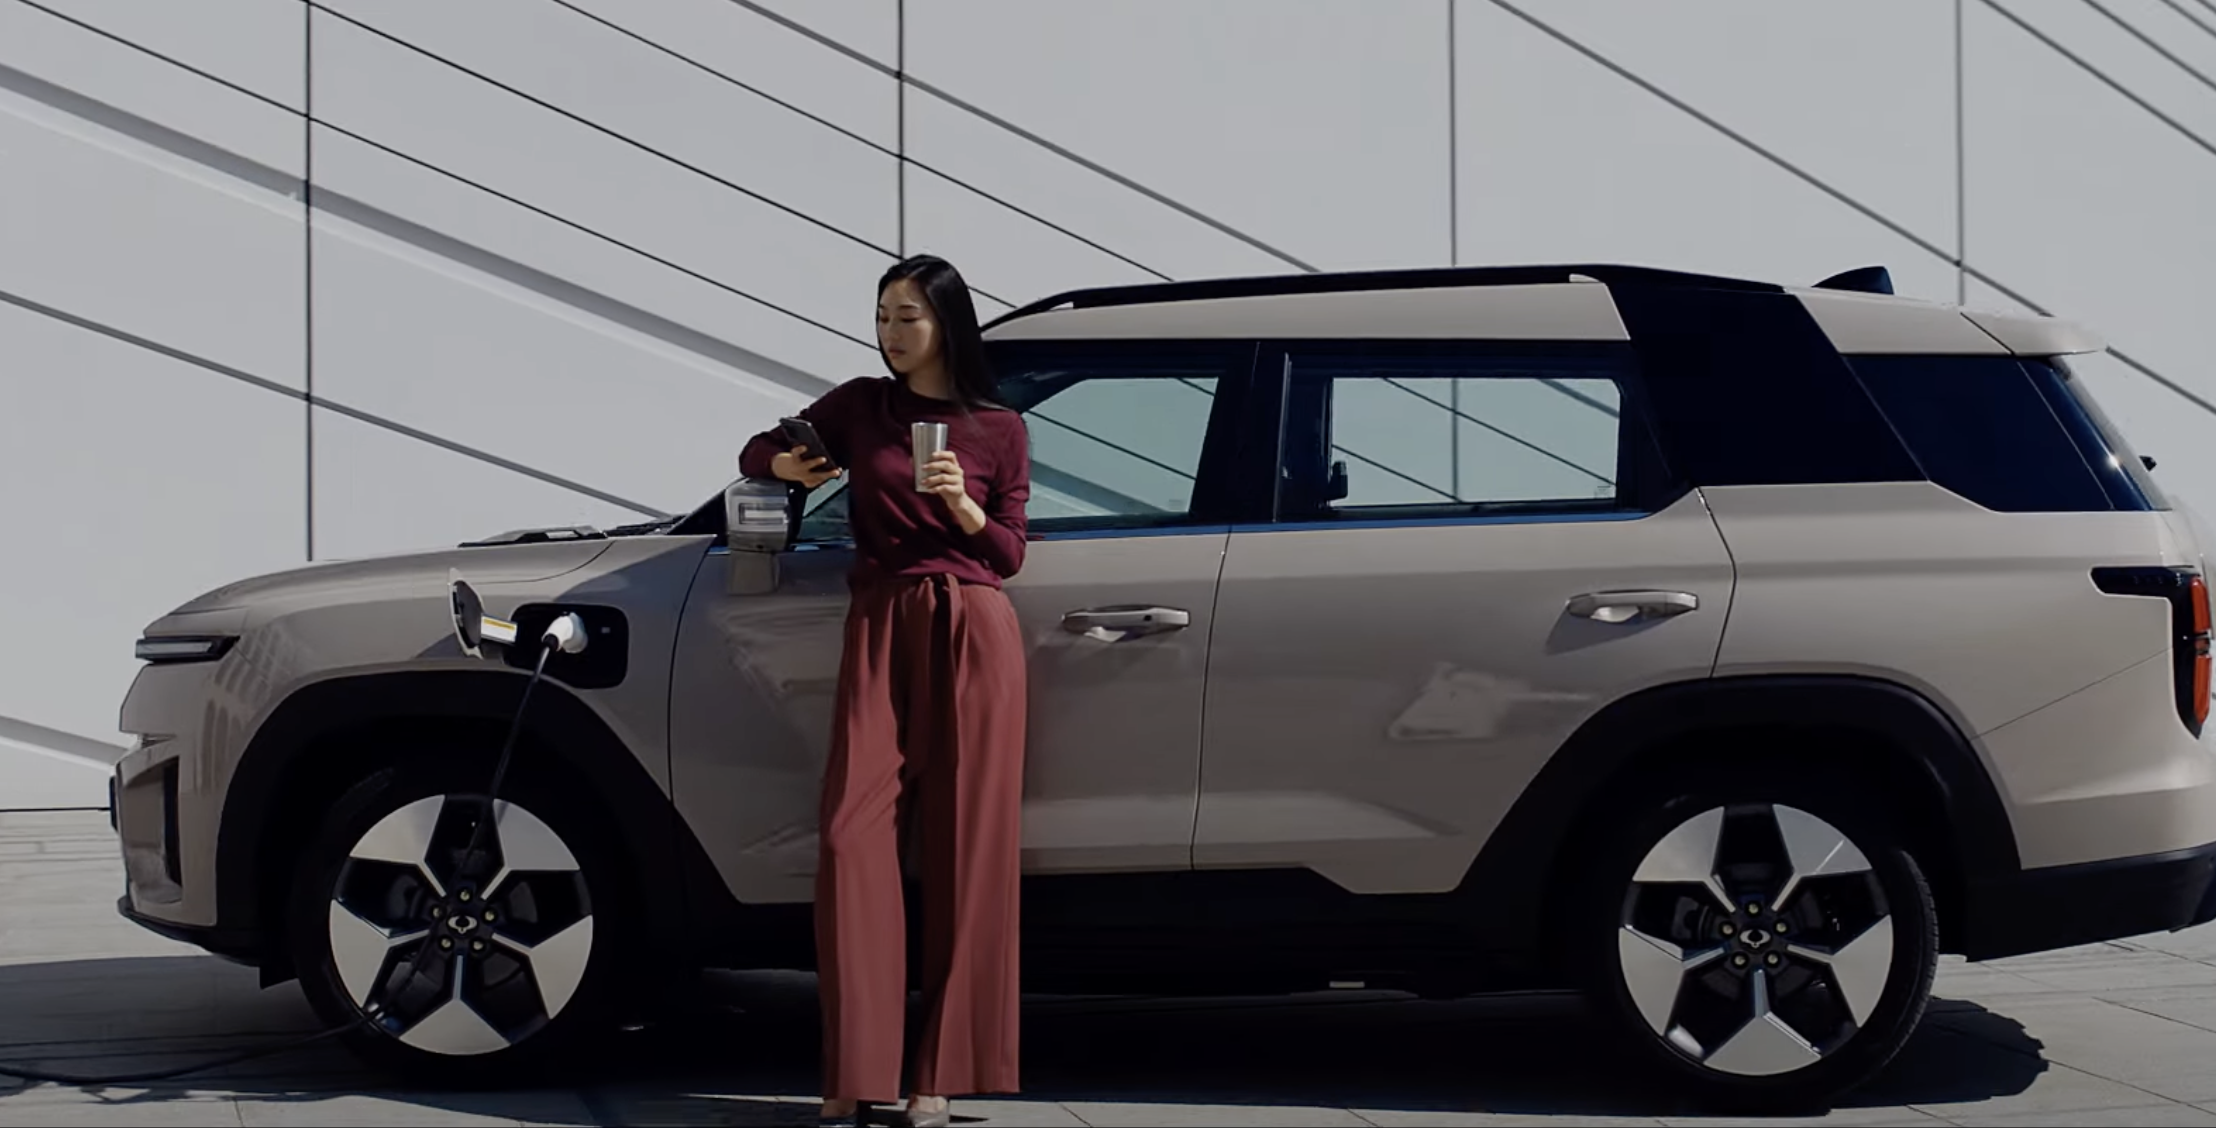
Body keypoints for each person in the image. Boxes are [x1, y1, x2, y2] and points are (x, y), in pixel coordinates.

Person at [737, 254, 1032, 1128]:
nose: (891, 334)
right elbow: (757, 449)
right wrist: (790, 468)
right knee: (848, 836)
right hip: (880, 621)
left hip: (973, 629)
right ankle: (856, 1068)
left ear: (947, 323)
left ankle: (939, 1078)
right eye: (882, 316)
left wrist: (965, 507)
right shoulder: (861, 406)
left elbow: (1011, 551)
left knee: (967, 852)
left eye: (909, 317)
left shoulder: (998, 427)